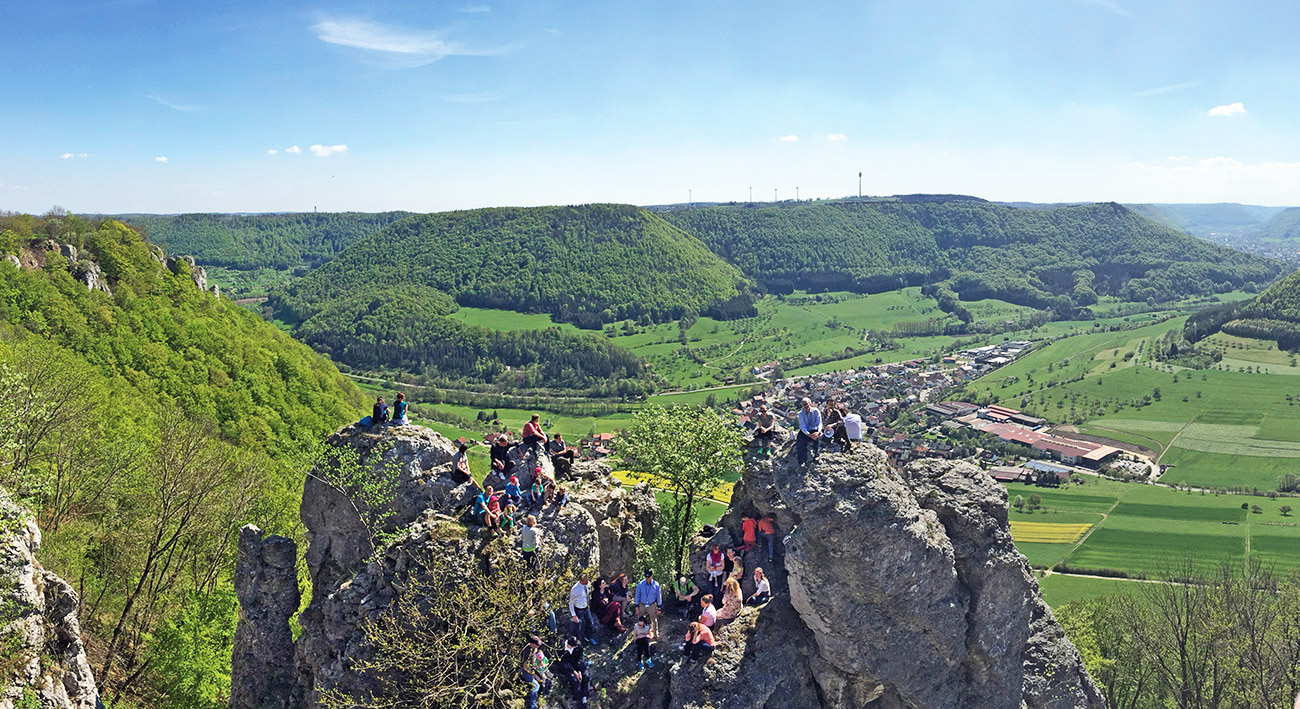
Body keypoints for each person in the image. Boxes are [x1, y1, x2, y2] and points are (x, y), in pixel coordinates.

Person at [555, 636, 591, 705]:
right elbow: (563, 663)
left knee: (585, 676)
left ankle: (584, 696)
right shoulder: (561, 648)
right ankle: (576, 697)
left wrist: (579, 671)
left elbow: (579, 658)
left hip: (576, 664)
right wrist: (574, 672)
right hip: (565, 666)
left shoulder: (578, 646)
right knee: (574, 680)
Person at [520, 635, 552, 709]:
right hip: (524, 670)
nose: (538, 646)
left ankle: (541, 697)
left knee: (544, 679)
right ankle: (532, 705)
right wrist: (534, 674)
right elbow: (524, 667)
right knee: (536, 685)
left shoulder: (533, 649)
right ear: (532, 644)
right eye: (537, 645)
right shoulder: (526, 651)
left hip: (532, 667)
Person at [568, 574, 597, 646]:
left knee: (590, 622)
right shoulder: (575, 589)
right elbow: (571, 603)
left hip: (586, 608)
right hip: (579, 609)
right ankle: (577, 644)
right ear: (581, 580)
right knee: (577, 628)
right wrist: (574, 615)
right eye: (586, 580)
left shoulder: (586, 585)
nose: (588, 581)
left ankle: (589, 637)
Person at [634, 568, 662, 636]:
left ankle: (655, 634)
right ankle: (638, 634)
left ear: (651, 576)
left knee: (654, 619)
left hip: (652, 604)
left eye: (648, 577)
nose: (647, 578)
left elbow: (659, 597)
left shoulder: (656, 585)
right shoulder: (640, 584)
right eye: (646, 577)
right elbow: (637, 596)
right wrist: (637, 607)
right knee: (640, 619)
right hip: (642, 604)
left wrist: (659, 608)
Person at [796, 397, 822, 466]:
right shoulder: (801, 414)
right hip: (806, 431)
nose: (806, 406)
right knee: (800, 442)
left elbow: (819, 423)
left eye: (806, 404)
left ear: (810, 403)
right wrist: (809, 435)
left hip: (814, 429)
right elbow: (802, 426)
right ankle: (802, 461)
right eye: (804, 404)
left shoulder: (816, 411)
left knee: (817, 439)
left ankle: (816, 454)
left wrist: (818, 432)